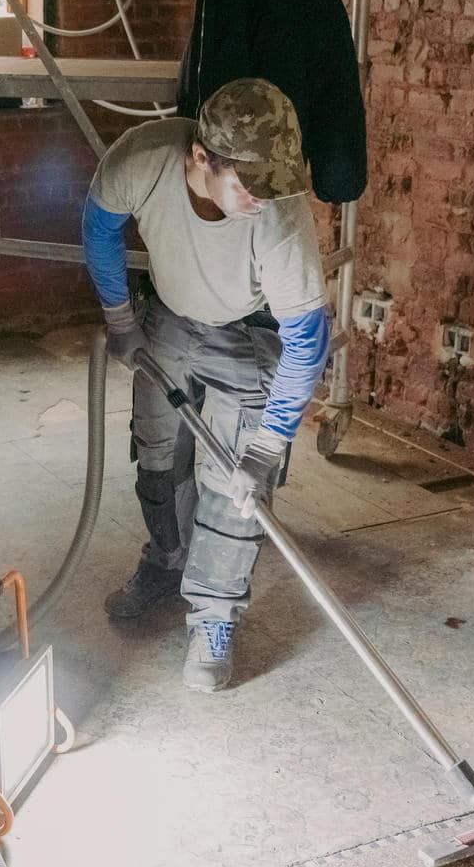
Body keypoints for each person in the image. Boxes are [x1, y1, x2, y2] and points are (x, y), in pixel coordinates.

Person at [81, 77, 330, 693]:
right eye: (250, 183)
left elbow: (306, 342)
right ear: (200, 158)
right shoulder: (141, 161)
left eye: (278, 182)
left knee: (234, 479)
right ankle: (167, 558)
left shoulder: (279, 221)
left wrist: (267, 448)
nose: (263, 199)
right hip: (168, 313)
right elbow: (99, 227)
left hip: (248, 330)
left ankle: (214, 617)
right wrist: (120, 319)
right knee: (157, 446)